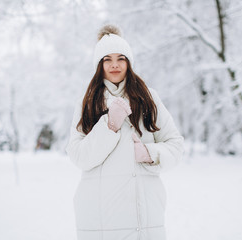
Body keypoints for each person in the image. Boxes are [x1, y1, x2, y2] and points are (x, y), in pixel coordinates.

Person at [66, 24, 184, 240]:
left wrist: (150, 154)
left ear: (129, 62)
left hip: (144, 217)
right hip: (99, 216)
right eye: (107, 59)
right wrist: (109, 126)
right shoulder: (86, 103)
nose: (114, 65)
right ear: (99, 64)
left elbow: (175, 144)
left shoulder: (149, 98)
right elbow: (78, 156)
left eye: (121, 58)